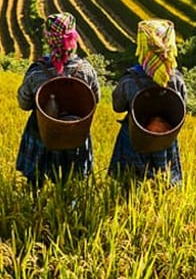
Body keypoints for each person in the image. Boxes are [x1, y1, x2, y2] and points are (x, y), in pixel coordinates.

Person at [15, 12, 100, 187]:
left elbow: (24, 103)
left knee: (35, 181)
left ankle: (33, 207)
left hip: (42, 134)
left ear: (49, 40)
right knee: (71, 184)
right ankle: (69, 209)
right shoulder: (86, 70)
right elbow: (95, 99)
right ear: (73, 39)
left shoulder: (37, 73)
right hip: (75, 134)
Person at [108, 19, 186, 185]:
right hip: (164, 140)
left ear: (143, 48)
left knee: (128, 183)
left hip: (134, 138)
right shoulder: (176, 80)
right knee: (165, 183)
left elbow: (117, 106)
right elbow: (182, 108)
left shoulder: (130, 81)